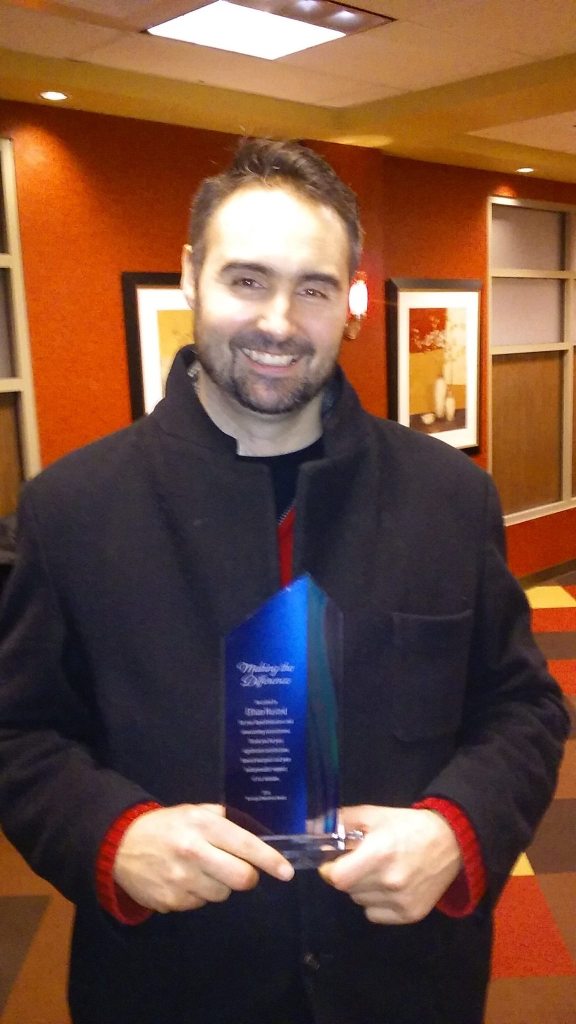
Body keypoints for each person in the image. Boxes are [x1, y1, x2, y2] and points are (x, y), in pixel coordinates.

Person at [0, 138, 568, 1024]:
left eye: (313, 288)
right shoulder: (71, 508)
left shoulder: (449, 496)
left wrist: (457, 832)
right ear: (191, 276)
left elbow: (523, 708)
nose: (278, 321)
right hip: (173, 981)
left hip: (401, 978)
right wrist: (110, 838)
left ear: (352, 301)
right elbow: (19, 732)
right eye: (247, 280)